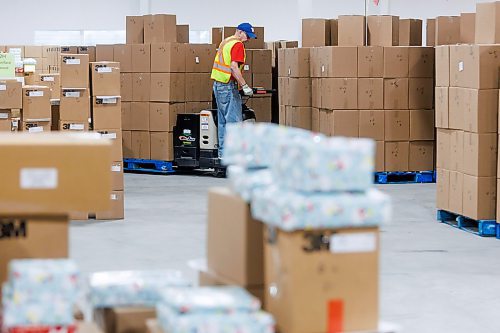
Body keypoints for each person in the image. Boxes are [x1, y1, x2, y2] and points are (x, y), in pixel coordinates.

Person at [211, 22, 257, 159]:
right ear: (240, 32)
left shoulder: (226, 41)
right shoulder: (237, 44)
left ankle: (223, 154)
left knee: (223, 121)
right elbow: (233, 67)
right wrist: (244, 86)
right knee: (234, 122)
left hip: (219, 85)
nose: (248, 39)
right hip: (227, 85)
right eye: (247, 36)